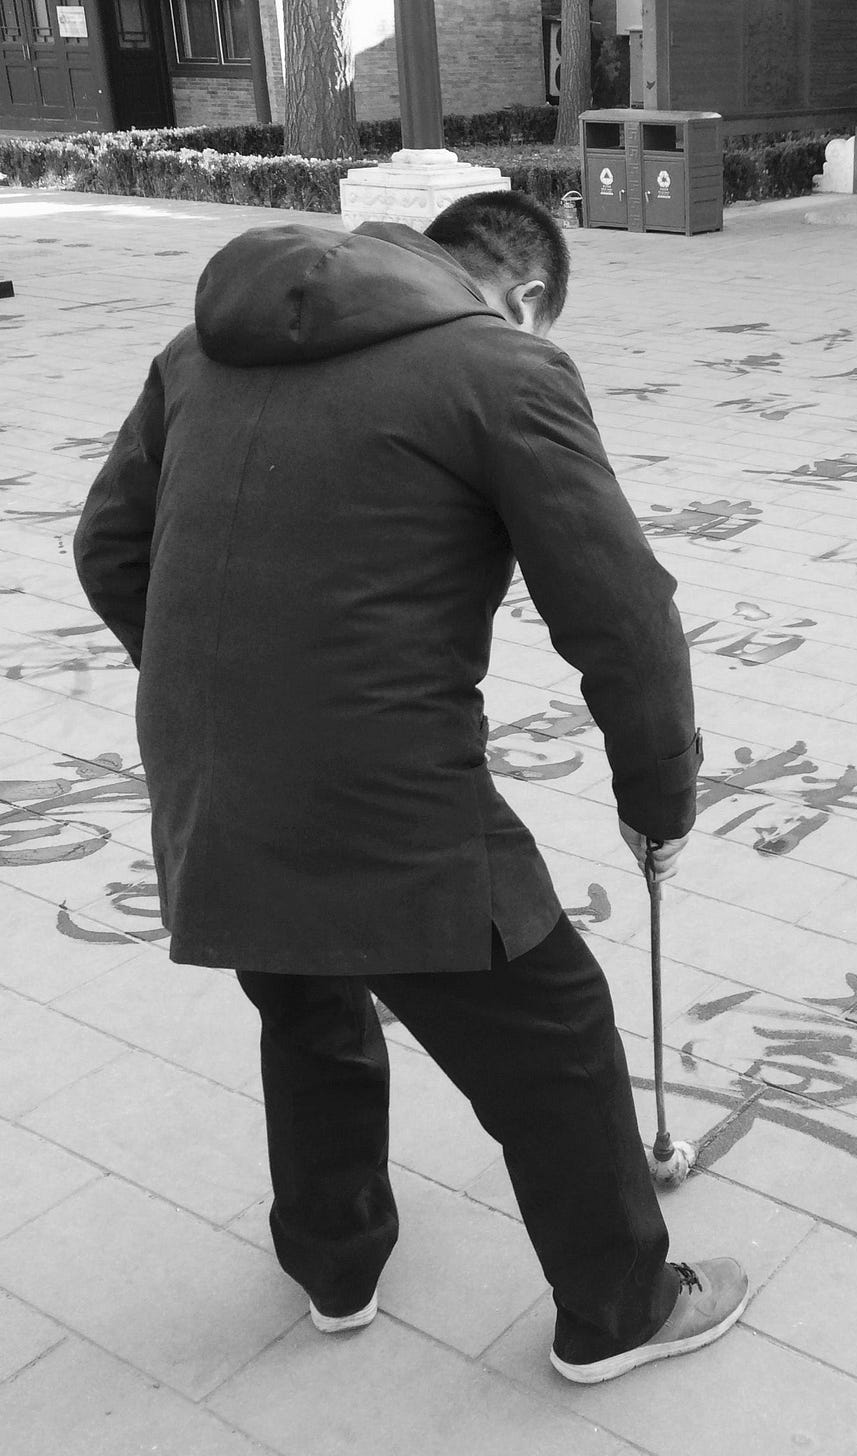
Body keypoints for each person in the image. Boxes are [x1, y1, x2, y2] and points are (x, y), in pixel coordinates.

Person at [71, 191, 747, 1384]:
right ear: (528, 294)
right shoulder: (502, 370)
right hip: (386, 793)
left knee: (307, 996)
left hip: (214, 777)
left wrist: (226, 701)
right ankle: (620, 1306)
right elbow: (626, 618)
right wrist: (659, 799)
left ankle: (336, 1264)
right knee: (554, 1031)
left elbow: (109, 549)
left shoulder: (199, 347)